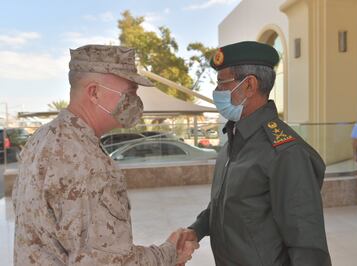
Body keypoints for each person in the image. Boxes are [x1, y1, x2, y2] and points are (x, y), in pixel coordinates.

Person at [12, 45, 198, 265]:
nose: (135, 101)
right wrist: (169, 253)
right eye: (129, 93)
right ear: (94, 92)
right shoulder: (87, 163)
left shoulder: (43, 137)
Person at [177, 41, 331, 265]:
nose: (216, 92)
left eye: (222, 84)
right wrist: (197, 229)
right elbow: (226, 205)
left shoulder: (285, 153)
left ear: (249, 85)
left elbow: (308, 246)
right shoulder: (234, 139)